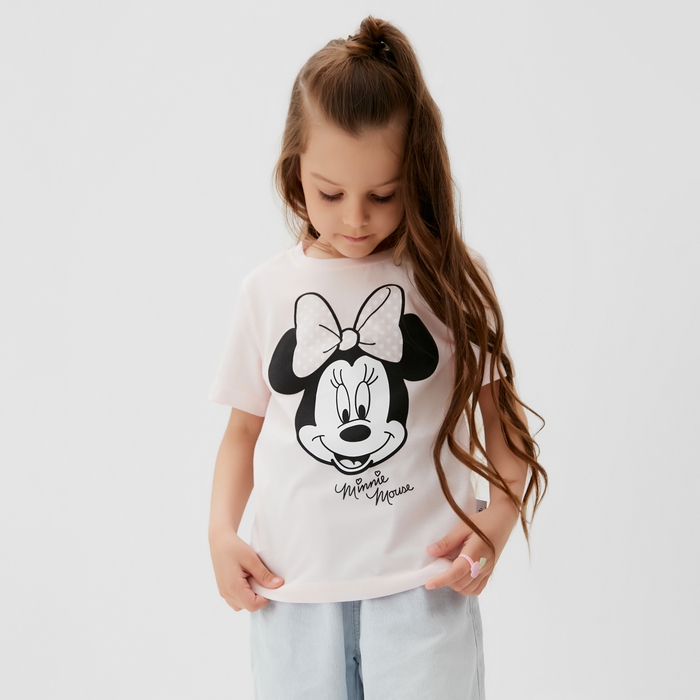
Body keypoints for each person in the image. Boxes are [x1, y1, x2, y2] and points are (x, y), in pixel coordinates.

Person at [207, 15, 547, 700]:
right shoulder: (267, 292)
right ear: (294, 170)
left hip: (423, 597)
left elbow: (506, 435)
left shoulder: (448, 283)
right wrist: (220, 532)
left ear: (414, 175)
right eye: (330, 194)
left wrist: (497, 522)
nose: (355, 219)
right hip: (291, 598)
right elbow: (242, 432)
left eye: (382, 195)